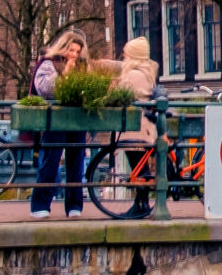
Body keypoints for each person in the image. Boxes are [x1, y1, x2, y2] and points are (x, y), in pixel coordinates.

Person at [92, 36, 161, 216]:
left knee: (138, 168)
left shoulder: (133, 75)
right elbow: (118, 67)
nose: (124, 56)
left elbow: (119, 95)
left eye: (127, 53)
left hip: (135, 129)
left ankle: (141, 206)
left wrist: (109, 90)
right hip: (143, 127)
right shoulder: (146, 71)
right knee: (140, 168)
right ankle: (141, 204)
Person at [29, 32, 90, 218]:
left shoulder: (83, 67)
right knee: (51, 161)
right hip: (54, 119)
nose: (73, 54)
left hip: (76, 119)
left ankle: (74, 206)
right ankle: (40, 205)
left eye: (77, 51)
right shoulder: (49, 63)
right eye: (71, 50)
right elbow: (46, 89)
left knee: (76, 163)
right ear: (63, 47)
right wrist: (66, 73)